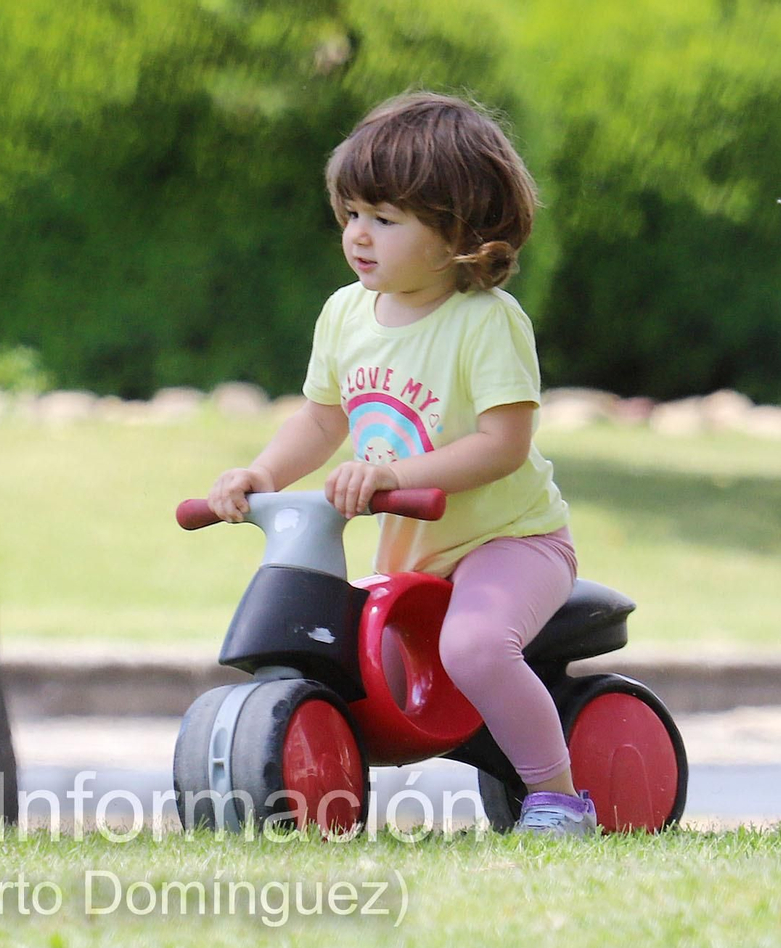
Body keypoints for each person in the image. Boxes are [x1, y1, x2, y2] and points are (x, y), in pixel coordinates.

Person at [206, 91, 596, 837]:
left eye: (386, 219)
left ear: (458, 232)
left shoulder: (486, 323)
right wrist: (260, 475)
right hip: (413, 550)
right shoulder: (346, 313)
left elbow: (502, 444)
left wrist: (394, 474)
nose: (359, 235)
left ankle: (557, 798)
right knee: (365, 674)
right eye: (351, 213)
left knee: (475, 647)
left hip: (510, 542)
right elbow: (323, 419)